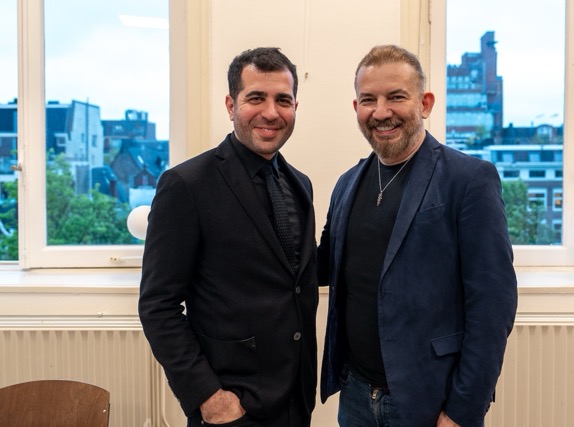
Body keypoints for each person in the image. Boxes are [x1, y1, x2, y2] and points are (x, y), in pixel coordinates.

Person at [318, 45, 518, 427]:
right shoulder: (346, 184)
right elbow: (323, 266)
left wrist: (462, 410)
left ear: (425, 103)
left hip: (429, 400)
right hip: (355, 395)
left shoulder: (468, 180)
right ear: (356, 107)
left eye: (396, 97)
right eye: (368, 100)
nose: (381, 112)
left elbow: (493, 308)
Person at [139, 47, 318, 427]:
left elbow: (296, 279)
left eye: (282, 100)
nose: (271, 112)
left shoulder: (299, 184)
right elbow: (158, 305)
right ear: (231, 105)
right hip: (230, 407)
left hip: (296, 399)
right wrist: (209, 398)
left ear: (295, 107)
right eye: (256, 98)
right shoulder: (186, 185)